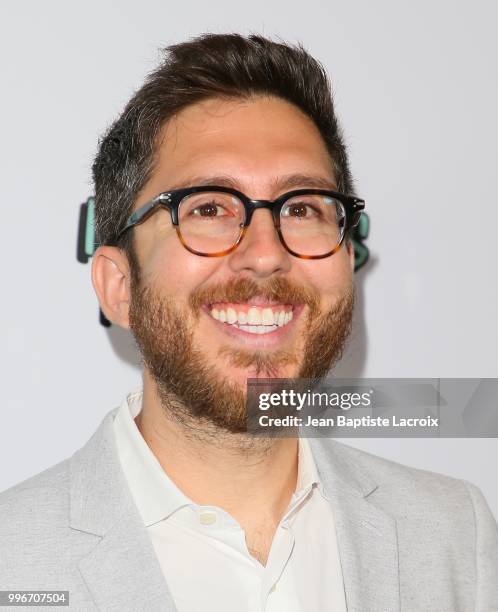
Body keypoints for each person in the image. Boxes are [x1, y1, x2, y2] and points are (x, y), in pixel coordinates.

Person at [1, 33, 496, 612]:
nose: (266, 253)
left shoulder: (457, 534)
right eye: (208, 208)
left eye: (302, 207)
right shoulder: (13, 561)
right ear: (118, 286)